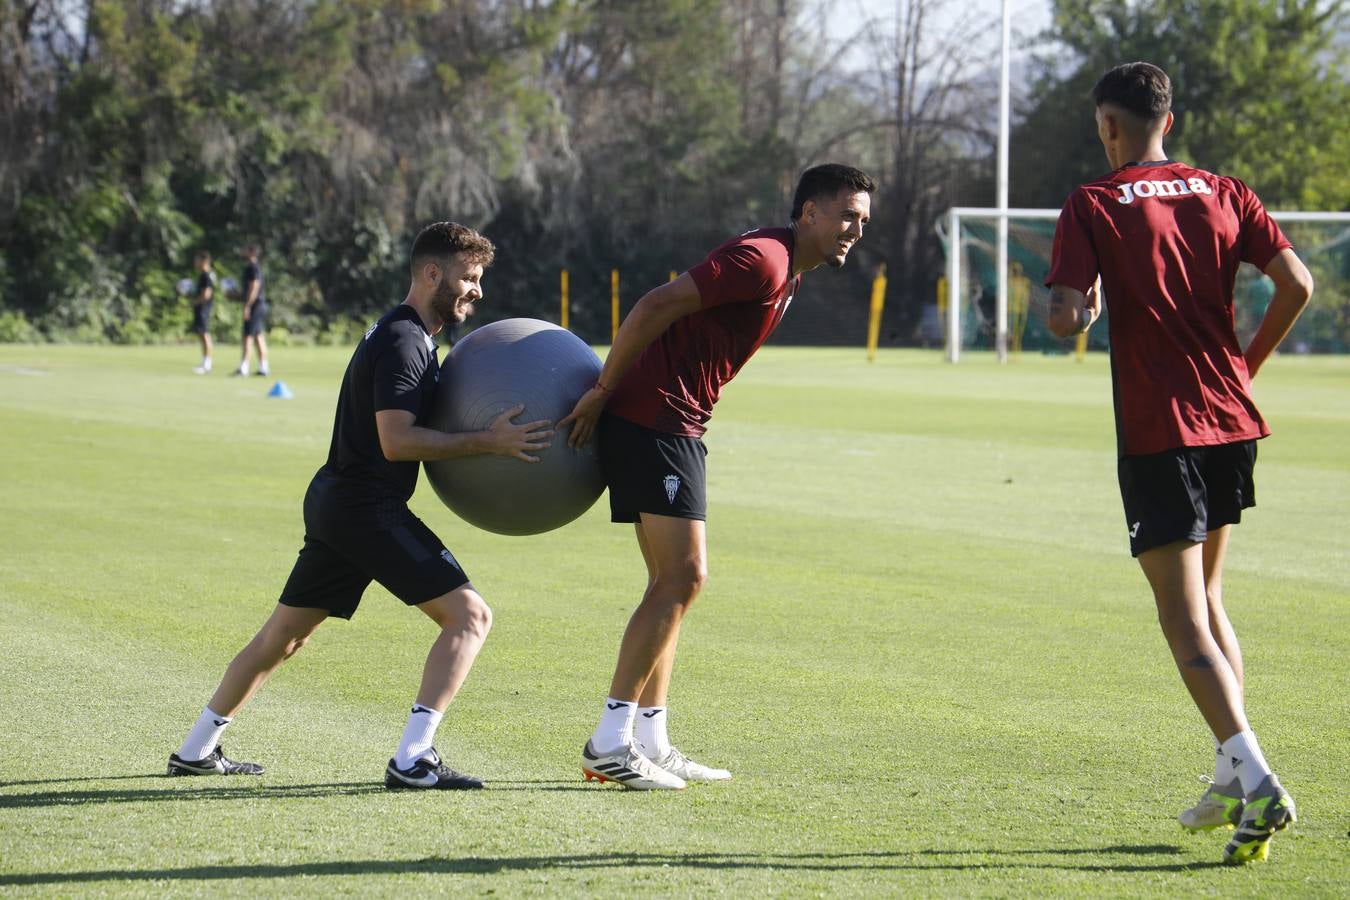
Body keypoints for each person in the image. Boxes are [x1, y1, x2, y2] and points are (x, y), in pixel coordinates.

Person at [168, 222, 552, 789]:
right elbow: (396, 440)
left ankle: (195, 749)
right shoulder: (403, 340)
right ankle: (413, 759)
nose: (477, 291)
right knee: (470, 617)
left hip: (338, 501)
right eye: (468, 278)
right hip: (364, 505)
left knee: (285, 637)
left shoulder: (410, 336)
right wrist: (488, 443)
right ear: (430, 274)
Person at [1044, 62, 1313, 864]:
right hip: (1230, 421)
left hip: (1161, 430)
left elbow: (1064, 318)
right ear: (1172, 117)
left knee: (1181, 616)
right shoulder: (1226, 190)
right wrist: (1244, 368)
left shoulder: (1093, 202)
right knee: (1214, 596)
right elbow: (1296, 283)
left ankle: (1259, 779)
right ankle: (1231, 772)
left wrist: (1077, 309)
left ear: (1107, 125)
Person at [559, 163, 876, 790]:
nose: (855, 230)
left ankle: (649, 738)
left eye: (863, 221)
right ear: (808, 212)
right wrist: (602, 389)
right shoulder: (763, 259)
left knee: (670, 583)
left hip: (673, 424)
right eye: (846, 215)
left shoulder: (789, 272)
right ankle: (609, 741)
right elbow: (656, 303)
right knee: (685, 576)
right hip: (656, 420)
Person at [232, 243, 271, 377]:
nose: (243, 252)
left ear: (252, 252)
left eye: (246, 250)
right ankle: (264, 367)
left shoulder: (252, 268)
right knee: (258, 336)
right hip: (258, 305)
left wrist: (247, 305)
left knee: (247, 336)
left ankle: (244, 367)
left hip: (255, 305)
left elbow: (254, 286)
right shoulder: (254, 268)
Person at [189, 251, 217, 374]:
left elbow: (207, 294)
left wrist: (195, 301)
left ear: (204, 261)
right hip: (202, 308)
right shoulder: (204, 275)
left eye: (197, 260)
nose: (195, 262)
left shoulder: (206, 275)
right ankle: (205, 362)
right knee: (202, 335)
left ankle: (207, 364)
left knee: (205, 335)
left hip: (203, 309)